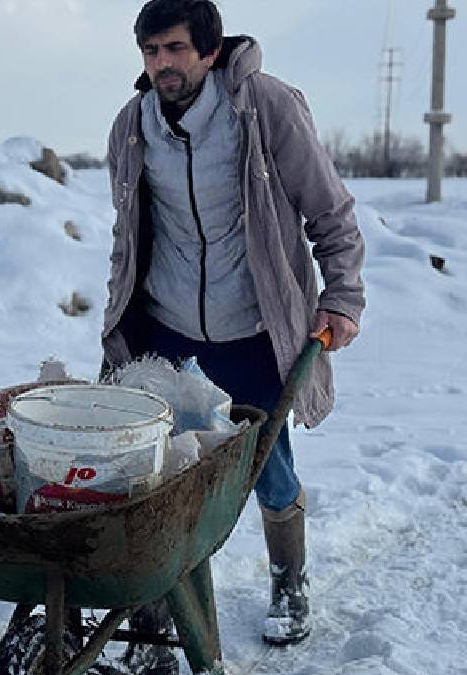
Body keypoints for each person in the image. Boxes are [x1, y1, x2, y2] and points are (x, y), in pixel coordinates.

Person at [101, 0, 365, 671]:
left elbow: (329, 210)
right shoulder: (131, 127)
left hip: (251, 324)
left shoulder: (267, 108)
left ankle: (289, 580)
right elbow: (126, 238)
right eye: (150, 51)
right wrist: (117, 322)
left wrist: (341, 295)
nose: (161, 65)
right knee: (153, 470)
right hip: (165, 323)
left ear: (211, 51)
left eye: (175, 50)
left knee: (266, 466)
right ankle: (158, 594)